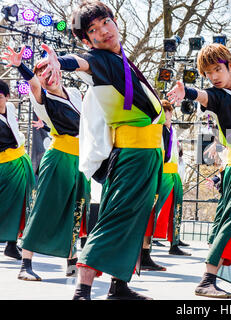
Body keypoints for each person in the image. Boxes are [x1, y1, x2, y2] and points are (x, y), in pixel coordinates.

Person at [38, 1, 166, 300]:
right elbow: (83, 62)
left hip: (147, 154)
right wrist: (61, 63)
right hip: (131, 155)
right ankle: (83, 290)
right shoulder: (102, 60)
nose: (103, 32)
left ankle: (118, 285)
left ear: (115, 21)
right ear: (87, 40)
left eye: (105, 23)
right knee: (113, 219)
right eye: (93, 30)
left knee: (134, 219)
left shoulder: (122, 60)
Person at [168, 43, 231, 298]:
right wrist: (189, 92)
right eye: (208, 73)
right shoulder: (217, 95)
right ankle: (207, 278)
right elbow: (205, 96)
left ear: (229, 66)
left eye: (217, 69)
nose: (213, 76)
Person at [2, 46, 91, 281]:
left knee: (76, 209)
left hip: (80, 160)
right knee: (44, 208)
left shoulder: (73, 92)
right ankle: (26, 264)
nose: (46, 74)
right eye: (41, 72)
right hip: (59, 156)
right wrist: (21, 66)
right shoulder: (41, 97)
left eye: (48, 68)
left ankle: (72, 264)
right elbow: (33, 83)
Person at [141, 100, 190, 272]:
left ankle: (148, 253)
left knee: (167, 212)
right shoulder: (156, 128)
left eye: (169, 111)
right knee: (151, 214)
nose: (169, 115)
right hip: (158, 173)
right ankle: (142, 253)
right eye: (166, 111)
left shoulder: (170, 130)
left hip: (170, 173)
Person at [0, 80, 35, 261]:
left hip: (21, 161)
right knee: (4, 205)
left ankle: (12, 244)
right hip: (4, 166)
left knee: (22, 204)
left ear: (6, 97)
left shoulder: (11, 109)